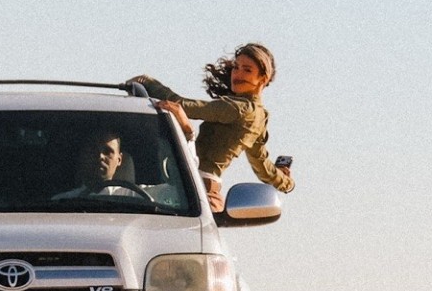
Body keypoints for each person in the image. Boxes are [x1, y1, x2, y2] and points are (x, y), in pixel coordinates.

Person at [132, 42, 294, 210]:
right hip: (200, 189)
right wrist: (286, 183)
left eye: (247, 70)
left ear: (263, 78)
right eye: (236, 67)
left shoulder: (239, 109)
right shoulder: (259, 116)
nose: (237, 74)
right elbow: (263, 167)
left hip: (196, 189)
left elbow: (183, 106)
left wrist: (147, 82)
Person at [52, 130, 143, 200]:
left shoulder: (138, 197)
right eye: (93, 151)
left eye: (107, 151)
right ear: (83, 156)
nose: (100, 156)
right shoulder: (62, 202)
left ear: (119, 160)